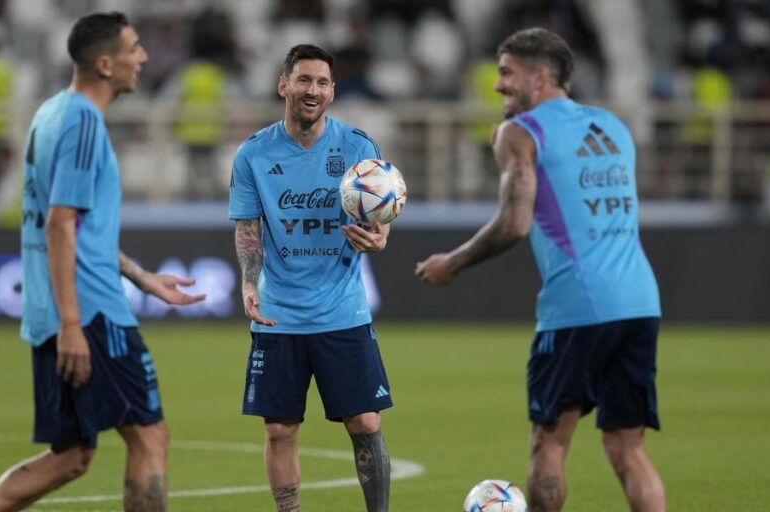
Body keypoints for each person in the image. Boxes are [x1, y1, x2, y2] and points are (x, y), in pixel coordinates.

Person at [415, 28, 666, 512]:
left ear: (540, 76)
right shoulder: (613, 126)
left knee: (550, 444)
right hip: (640, 302)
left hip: (577, 307)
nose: (497, 85)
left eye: (506, 73)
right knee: (628, 448)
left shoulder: (520, 134)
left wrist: (454, 261)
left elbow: (515, 222)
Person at [0, 12, 205, 512]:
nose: (142, 58)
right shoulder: (83, 123)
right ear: (104, 63)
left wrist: (142, 278)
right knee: (149, 437)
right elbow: (58, 223)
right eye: (134, 48)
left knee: (71, 456)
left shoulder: (50, 113)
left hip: (52, 308)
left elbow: (74, 228)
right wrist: (73, 324)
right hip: (90, 312)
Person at [228, 44, 393, 512]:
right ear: (283, 85)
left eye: (322, 82)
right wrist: (247, 283)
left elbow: (380, 212)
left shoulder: (358, 146)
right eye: (303, 80)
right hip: (279, 312)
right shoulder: (254, 154)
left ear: (333, 91)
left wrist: (381, 238)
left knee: (364, 420)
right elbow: (248, 228)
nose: (312, 90)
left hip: (342, 309)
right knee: (279, 428)